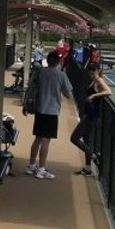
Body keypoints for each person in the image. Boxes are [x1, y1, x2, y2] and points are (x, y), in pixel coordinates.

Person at [25, 50, 73, 179]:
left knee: (38, 138)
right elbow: (67, 93)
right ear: (58, 61)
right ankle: (41, 169)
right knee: (46, 140)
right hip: (51, 111)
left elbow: (31, 87)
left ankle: (31, 165)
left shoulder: (40, 72)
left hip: (39, 109)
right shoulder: (61, 75)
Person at [70, 63, 112, 176]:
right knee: (87, 140)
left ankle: (94, 156)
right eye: (90, 71)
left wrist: (94, 96)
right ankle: (88, 169)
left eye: (92, 71)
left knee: (74, 138)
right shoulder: (94, 80)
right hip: (89, 113)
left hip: (92, 116)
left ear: (97, 71)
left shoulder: (99, 80)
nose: (90, 74)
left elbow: (109, 91)